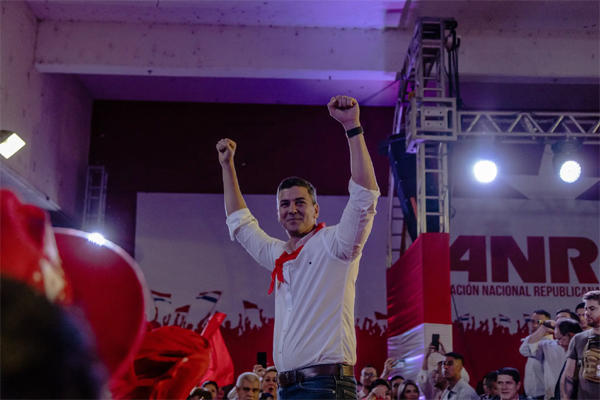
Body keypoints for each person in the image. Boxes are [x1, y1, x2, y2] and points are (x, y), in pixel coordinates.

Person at [218, 95, 379, 400]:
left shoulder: (336, 244)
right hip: (287, 388)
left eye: (300, 202)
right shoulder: (279, 255)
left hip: (325, 386)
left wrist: (352, 126)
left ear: (316, 210)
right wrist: (227, 166)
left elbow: (364, 197)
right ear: (278, 213)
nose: (292, 209)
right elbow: (241, 225)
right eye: (285, 204)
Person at [561, 291, 600, 400]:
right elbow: (568, 374)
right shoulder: (578, 339)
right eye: (586, 308)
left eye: (592, 309)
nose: (587, 313)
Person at [519, 309, 551, 398]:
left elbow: (524, 350)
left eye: (540, 322)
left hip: (544, 396)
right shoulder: (533, 342)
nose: (535, 325)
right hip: (530, 395)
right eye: (532, 321)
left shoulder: (550, 344)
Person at [552, 318, 582, 399]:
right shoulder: (571, 358)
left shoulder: (581, 360)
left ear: (571, 335)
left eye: (559, 339)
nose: (558, 343)